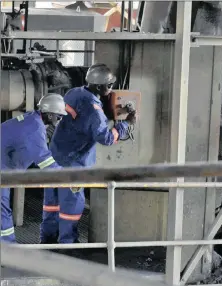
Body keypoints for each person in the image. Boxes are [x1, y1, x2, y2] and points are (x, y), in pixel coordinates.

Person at [41, 64, 136, 244]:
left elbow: (81, 120)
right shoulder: (94, 109)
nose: (111, 88)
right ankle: (68, 246)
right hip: (74, 163)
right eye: (109, 85)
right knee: (71, 206)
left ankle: (47, 240)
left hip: (55, 156)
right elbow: (106, 137)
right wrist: (126, 124)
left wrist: (105, 111)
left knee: (51, 203)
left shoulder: (73, 93)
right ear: (100, 87)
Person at [1, 94, 67, 243]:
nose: (60, 119)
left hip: (4, 167)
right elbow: (44, 161)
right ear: (50, 114)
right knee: (2, 209)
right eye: (59, 116)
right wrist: (68, 176)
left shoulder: (33, 118)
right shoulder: (35, 128)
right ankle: (8, 248)